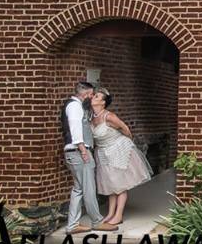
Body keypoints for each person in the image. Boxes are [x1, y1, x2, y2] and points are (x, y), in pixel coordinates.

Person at [88, 87, 153, 226]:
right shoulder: (91, 117)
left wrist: (127, 144)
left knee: (120, 184)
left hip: (117, 150)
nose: (94, 97)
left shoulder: (109, 116)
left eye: (97, 96)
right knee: (110, 184)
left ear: (103, 103)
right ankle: (111, 213)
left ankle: (119, 215)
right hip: (103, 152)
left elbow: (125, 128)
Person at [62, 81, 118, 235]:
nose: (92, 97)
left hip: (74, 153)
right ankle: (97, 221)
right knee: (89, 188)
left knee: (78, 189)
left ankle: (72, 225)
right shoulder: (74, 106)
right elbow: (75, 128)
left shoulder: (78, 106)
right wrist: (83, 150)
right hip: (79, 152)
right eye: (92, 94)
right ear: (85, 94)